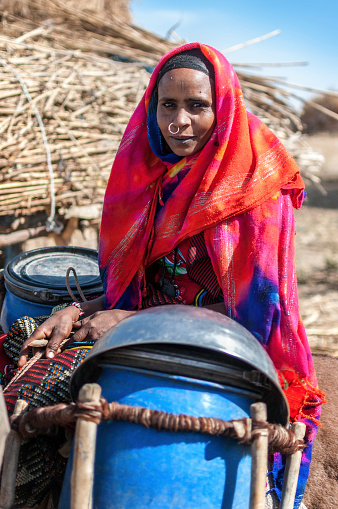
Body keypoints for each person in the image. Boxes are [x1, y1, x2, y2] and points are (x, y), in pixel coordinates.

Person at [7, 42, 324, 507]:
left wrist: (129, 322)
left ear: (224, 106)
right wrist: (77, 310)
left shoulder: (254, 185)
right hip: (139, 326)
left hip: (218, 342)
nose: (179, 121)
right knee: (23, 339)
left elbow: (259, 311)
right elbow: (136, 289)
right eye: (168, 105)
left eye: (197, 106)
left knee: (42, 392)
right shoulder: (152, 176)